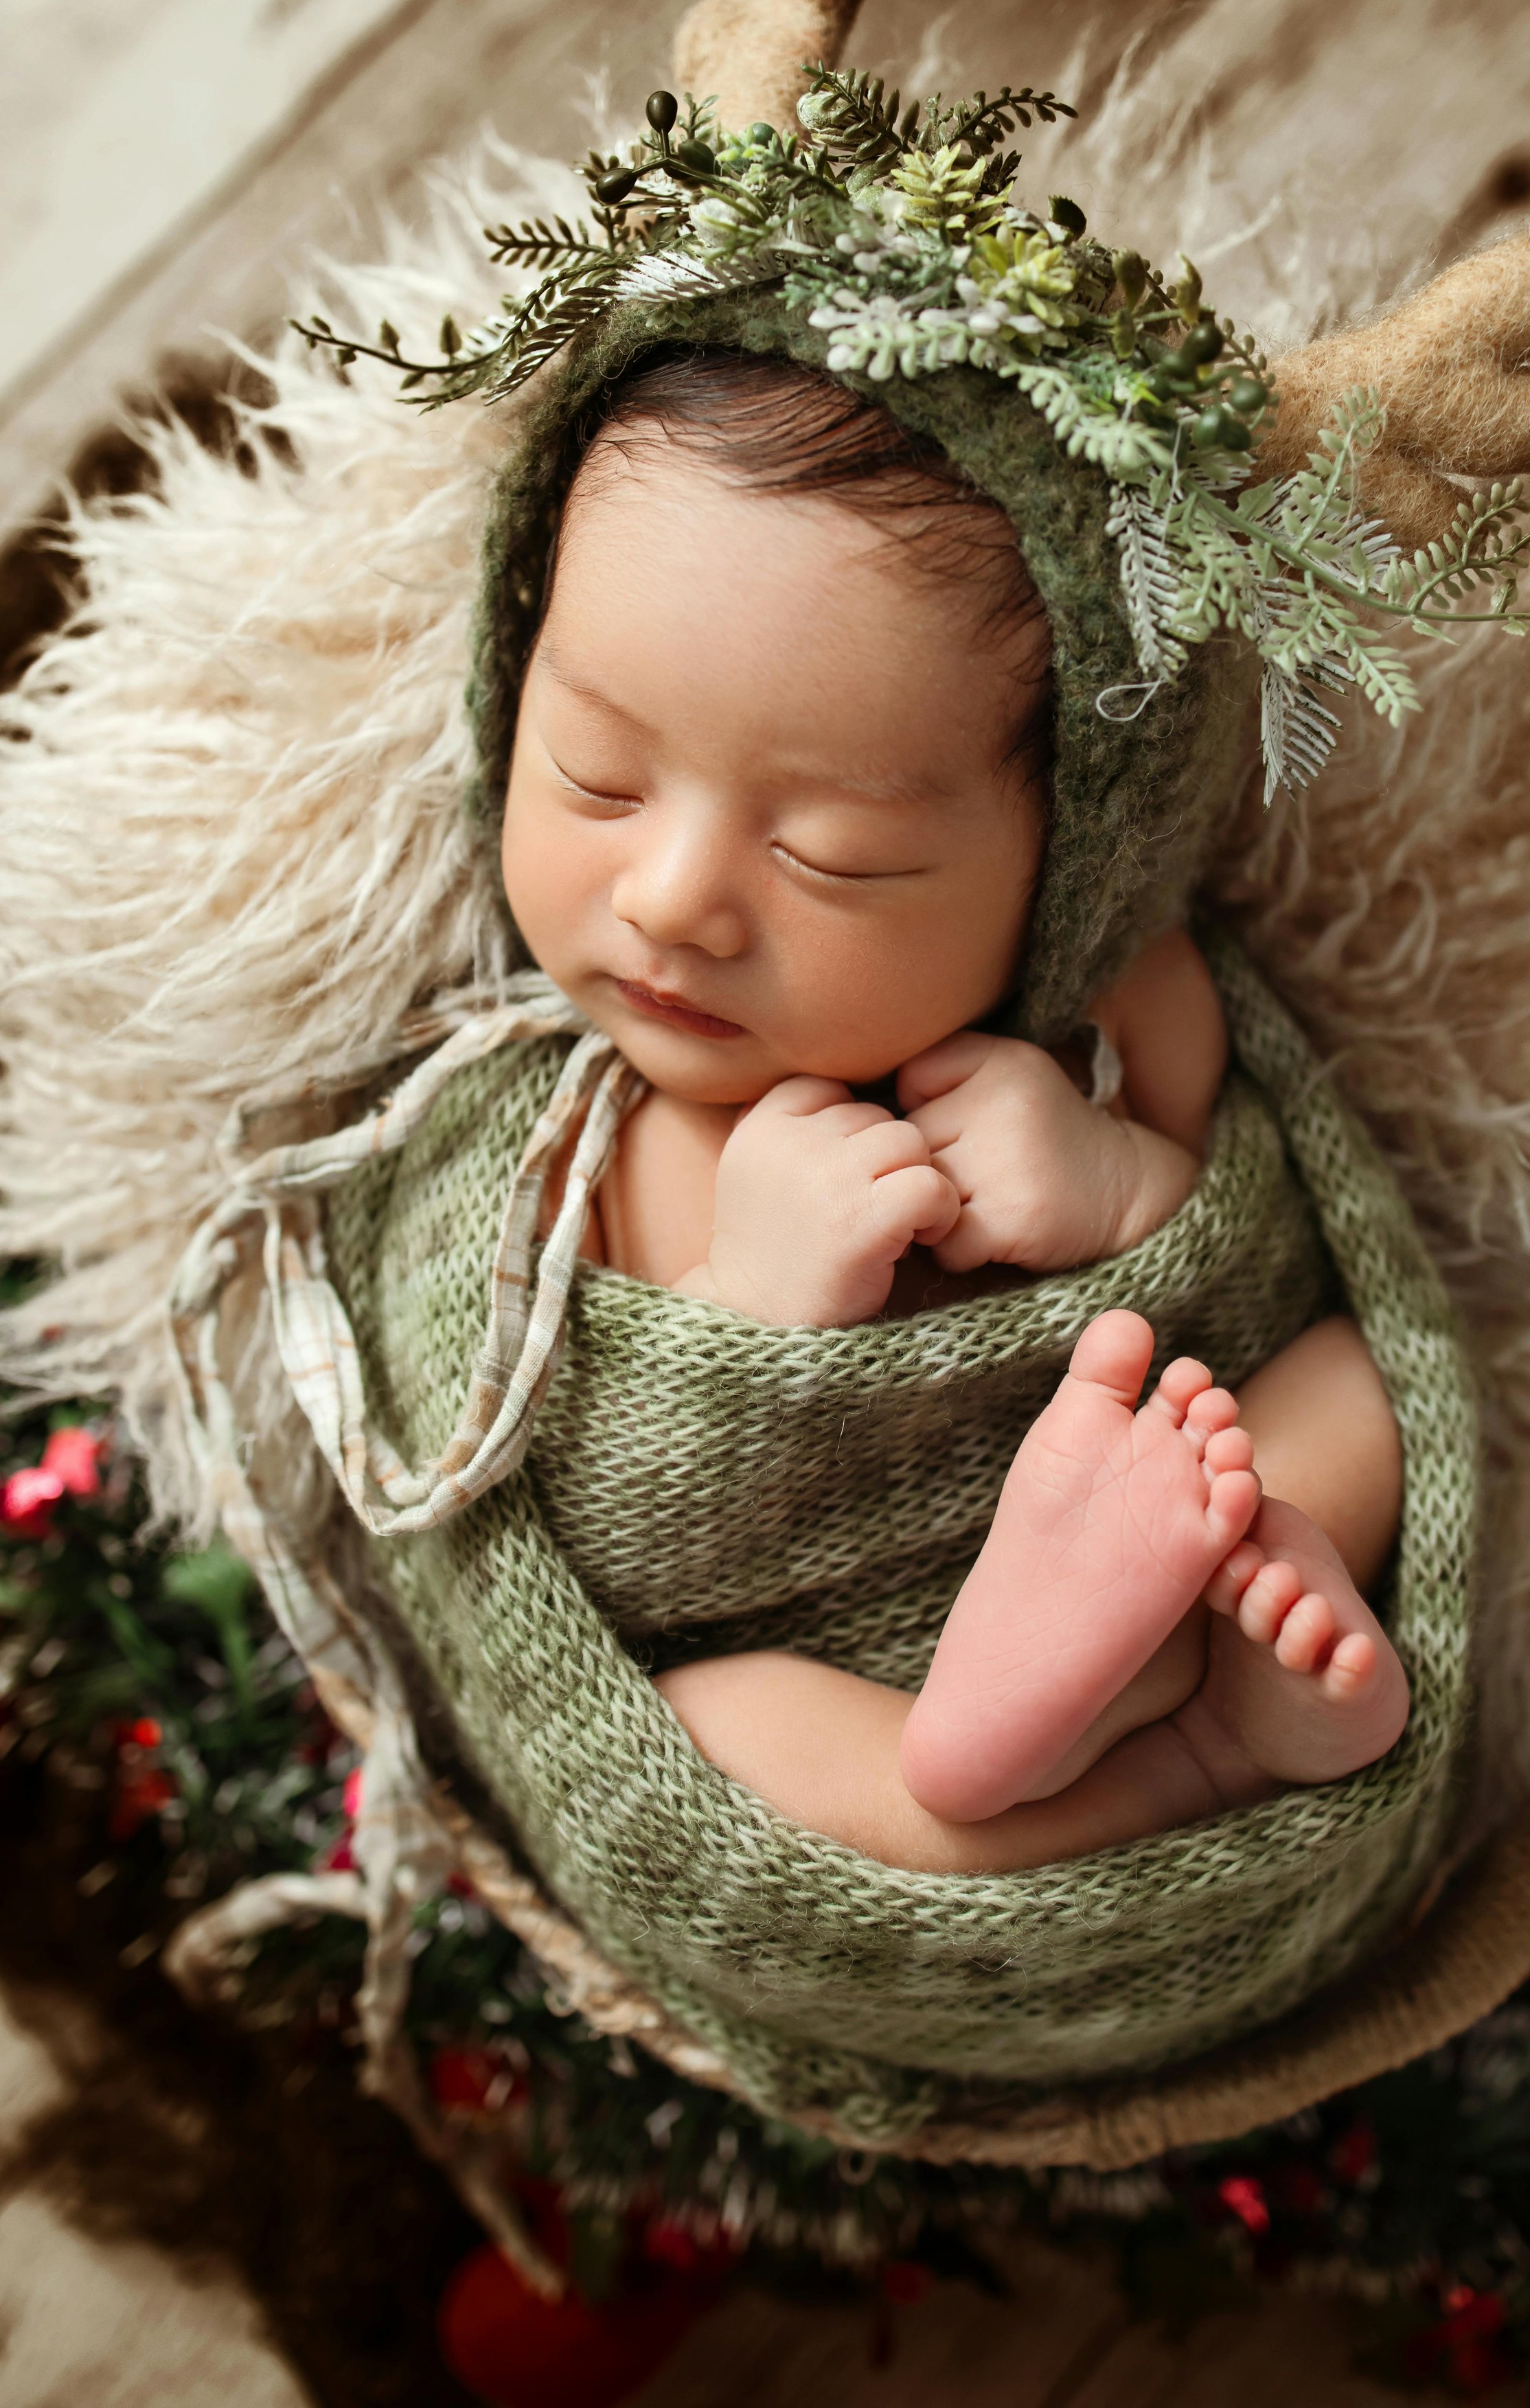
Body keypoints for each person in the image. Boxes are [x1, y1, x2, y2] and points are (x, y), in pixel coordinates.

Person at [507, 347, 1408, 1874]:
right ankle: (1180, 1761)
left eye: (837, 858)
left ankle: (1176, 1665)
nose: (669, 903)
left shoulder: (1117, 1013)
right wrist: (742, 1316)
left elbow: (1274, 1254)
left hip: (1180, 1545)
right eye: (595, 780)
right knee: (708, 1728)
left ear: (1071, 866)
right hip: (874, 1689)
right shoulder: (560, 1145)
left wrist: (1119, 1188)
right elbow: (572, 1530)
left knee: (1358, 1380)